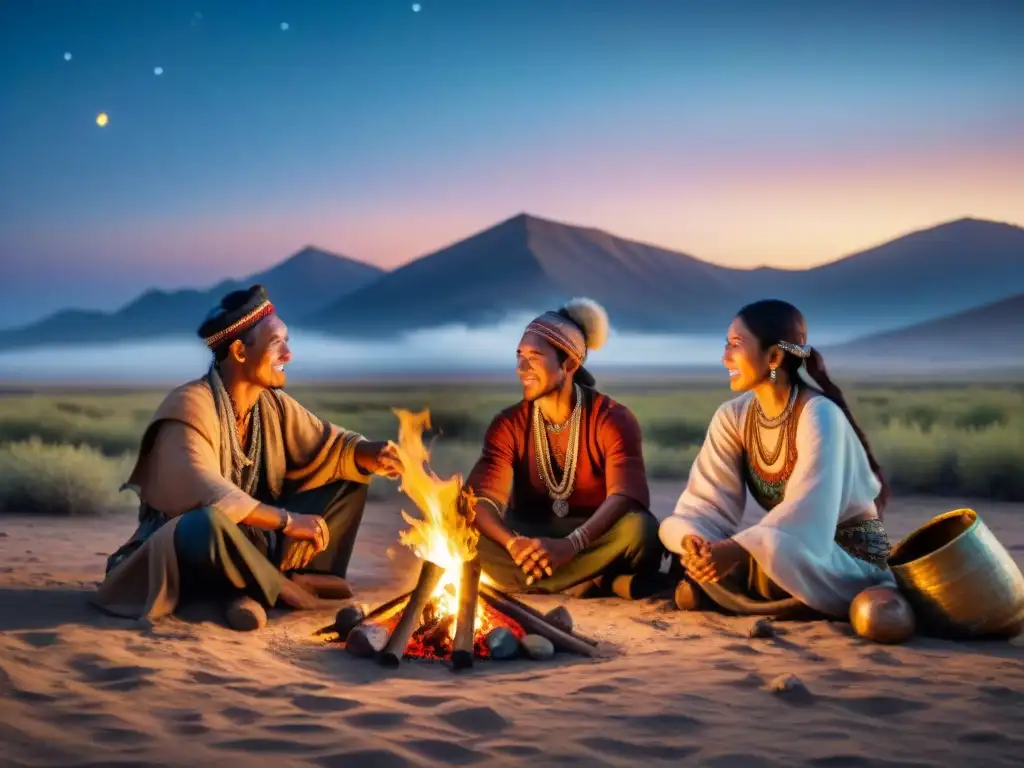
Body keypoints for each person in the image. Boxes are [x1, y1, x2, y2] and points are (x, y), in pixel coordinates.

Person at [92, 285, 404, 630]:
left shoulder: (271, 405)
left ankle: (270, 584)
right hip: (192, 553)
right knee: (204, 524)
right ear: (240, 351)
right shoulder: (188, 405)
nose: (288, 355)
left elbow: (329, 445)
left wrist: (369, 453)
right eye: (277, 344)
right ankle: (277, 588)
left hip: (257, 544)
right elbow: (206, 494)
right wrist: (288, 521)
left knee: (348, 474)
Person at [659, 299, 910, 624]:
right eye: (726, 345)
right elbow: (704, 505)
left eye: (736, 345)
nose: (725, 358)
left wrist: (737, 550)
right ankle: (738, 588)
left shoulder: (819, 415)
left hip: (840, 557)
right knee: (675, 529)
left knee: (771, 552)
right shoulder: (733, 416)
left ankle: (729, 593)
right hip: (786, 545)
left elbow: (808, 517)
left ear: (775, 356)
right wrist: (696, 543)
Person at [462, 298, 666, 599]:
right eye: (518, 355)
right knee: (461, 530)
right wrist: (511, 544)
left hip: (593, 538)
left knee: (642, 531)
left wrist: (571, 545)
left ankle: (549, 581)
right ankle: (598, 582)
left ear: (569, 364)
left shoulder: (612, 418)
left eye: (534, 356)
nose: (521, 367)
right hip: (528, 541)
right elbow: (481, 499)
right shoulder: (508, 424)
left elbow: (625, 498)